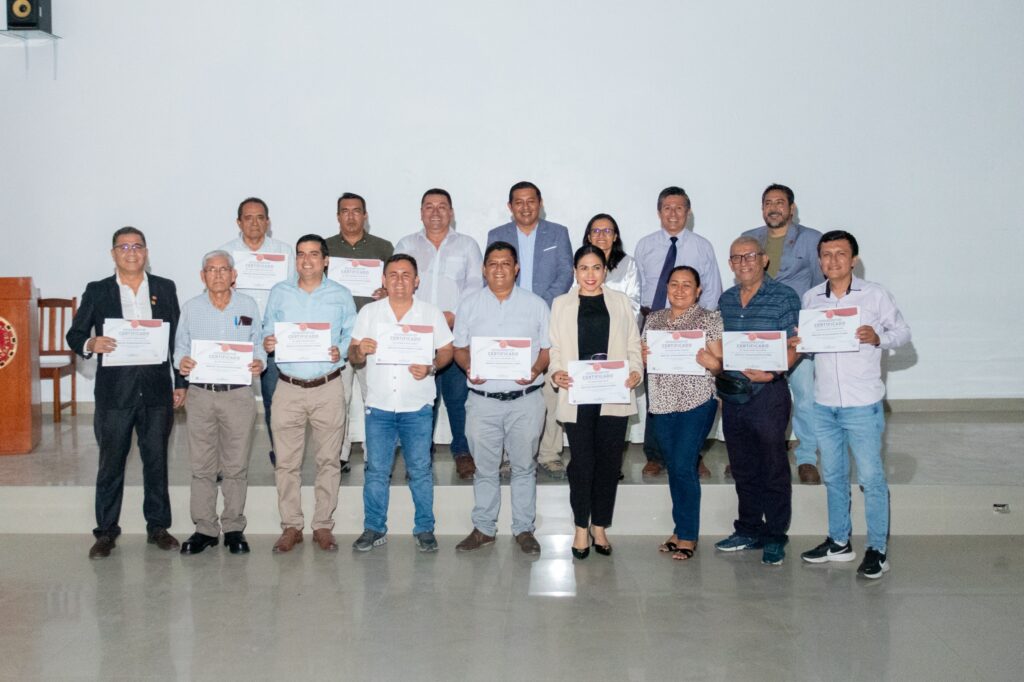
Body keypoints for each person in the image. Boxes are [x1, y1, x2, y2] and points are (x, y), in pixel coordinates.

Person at [67, 227, 185, 559]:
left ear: (146, 252)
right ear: (113, 254)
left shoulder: (164, 288)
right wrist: (91, 343)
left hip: (156, 392)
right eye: (124, 247)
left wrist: (181, 382)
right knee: (111, 464)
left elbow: (177, 339)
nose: (131, 252)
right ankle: (106, 531)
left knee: (156, 462)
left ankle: (158, 527)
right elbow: (75, 334)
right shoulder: (98, 290)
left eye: (137, 246)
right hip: (114, 394)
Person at [798, 230, 911, 579]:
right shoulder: (811, 298)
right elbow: (811, 347)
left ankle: (877, 548)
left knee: (871, 479)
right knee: (833, 476)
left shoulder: (875, 295)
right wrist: (803, 342)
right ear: (819, 261)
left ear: (854, 260)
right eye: (826, 254)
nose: (833, 260)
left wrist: (878, 338)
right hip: (824, 404)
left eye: (840, 254)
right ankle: (839, 541)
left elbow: (903, 333)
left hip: (863, 404)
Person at [348, 254, 454, 553]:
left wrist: (432, 366)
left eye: (406, 275)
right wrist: (360, 350)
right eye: (393, 274)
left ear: (416, 281)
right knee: (376, 471)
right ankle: (374, 527)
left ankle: (424, 528)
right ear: (383, 279)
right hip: (379, 405)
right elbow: (352, 355)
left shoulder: (430, 313)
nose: (399, 280)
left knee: (420, 470)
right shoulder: (369, 312)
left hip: (417, 406)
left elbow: (447, 350)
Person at [453, 242, 551, 555]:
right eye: (493, 264)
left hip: (526, 399)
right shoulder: (469, 305)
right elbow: (459, 348)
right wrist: (469, 366)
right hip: (483, 400)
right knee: (485, 469)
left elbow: (547, 350)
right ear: (484, 269)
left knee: (524, 467)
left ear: (516, 268)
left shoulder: (536, 305)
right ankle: (484, 528)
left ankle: (524, 529)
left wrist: (535, 370)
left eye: (505, 263)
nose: (499, 269)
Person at [261, 234, 356, 553]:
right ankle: (291, 525)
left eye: (314, 254)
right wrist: (269, 341)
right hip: (288, 387)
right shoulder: (280, 292)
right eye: (301, 254)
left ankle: (323, 525)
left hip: (327, 386)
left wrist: (340, 349)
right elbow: (267, 328)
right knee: (286, 462)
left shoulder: (340, 294)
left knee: (328, 460)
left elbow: (351, 333)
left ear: (325, 260)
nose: (306, 260)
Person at [549, 245, 643, 559]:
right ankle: (580, 526)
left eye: (597, 268)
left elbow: (633, 345)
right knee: (582, 463)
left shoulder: (620, 302)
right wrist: (556, 373)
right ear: (575, 271)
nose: (590, 275)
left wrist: (635, 371)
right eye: (584, 268)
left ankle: (599, 525)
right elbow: (555, 349)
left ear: (605, 270)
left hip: (613, 394)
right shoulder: (561, 304)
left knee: (608, 463)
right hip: (577, 394)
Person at [713, 236, 801, 566]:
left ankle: (775, 535)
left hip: (769, 394)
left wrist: (773, 371)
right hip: (734, 395)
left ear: (764, 259)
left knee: (773, 466)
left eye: (750, 256)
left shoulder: (785, 296)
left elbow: (795, 345)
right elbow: (721, 346)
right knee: (743, 467)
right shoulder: (726, 300)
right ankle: (748, 528)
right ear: (730, 264)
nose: (743, 262)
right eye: (736, 258)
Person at [173, 250, 266, 555]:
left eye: (223, 269)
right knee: (202, 466)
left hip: (238, 395)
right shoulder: (191, 308)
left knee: (235, 465)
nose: (217, 275)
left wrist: (259, 362)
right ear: (203, 276)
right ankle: (205, 528)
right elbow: (180, 347)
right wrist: (182, 362)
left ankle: (234, 527)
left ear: (233, 274)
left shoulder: (248, 305)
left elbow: (258, 343)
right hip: (201, 394)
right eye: (211, 270)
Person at [634, 187, 723, 477]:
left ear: (688, 211)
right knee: (657, 390)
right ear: (659, 212)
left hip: (694, 328)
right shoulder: (645, 246)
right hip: (655, 325)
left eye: (679, 208)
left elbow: (712, 290)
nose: (673, 213)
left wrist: (703, 329)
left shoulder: (702, 246)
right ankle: (655, 455)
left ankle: (693, 454)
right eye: (667, 208)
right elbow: (637, 290)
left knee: (694, 391)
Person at [394, 189, 483, 479]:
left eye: (442, 206)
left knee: (457, 397)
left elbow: (474, 287)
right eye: (429, 207)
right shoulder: (406, 244)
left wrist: (453, 316)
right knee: (422, 398)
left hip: (456, 332)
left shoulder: (467, 245)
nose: (435, 212)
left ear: (451, 212)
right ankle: (421, 455)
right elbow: (400, 284)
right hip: (416, 334)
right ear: (421, 212)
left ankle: (462, 452)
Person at [487, 181, 573, 480]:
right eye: (519, 202)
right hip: (507, 323)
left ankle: (549, 453)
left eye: (531, 201)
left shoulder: (558, 233)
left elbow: (565, 274)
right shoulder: (497, 235)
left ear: (540, 203)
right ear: (510, 206)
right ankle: (509, 455)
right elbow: (492, 275)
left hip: (547, 319)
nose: (525, 207)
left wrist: (536, 305)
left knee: (549, 389)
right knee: (509, 387)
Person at [743, 184, 825, 484]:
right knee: (759, 398)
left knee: (804, 397)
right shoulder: (749, 239)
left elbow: (820, 288)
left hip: (796, 335)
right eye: (768, 202)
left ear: (792, 208)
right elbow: (744, 284)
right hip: (760, 335)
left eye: (780, 202)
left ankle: (806, 458)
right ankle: (757, 452)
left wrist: (810, 329)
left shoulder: (811, 239)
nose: (774, 208)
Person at [641, 266, 723, 561]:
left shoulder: (709, 318)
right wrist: (642, 357)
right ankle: (679, 530)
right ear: (666, 288)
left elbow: (720, 364)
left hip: (697, 401)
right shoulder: (654, 319)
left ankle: (688, 535)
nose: (679, 290)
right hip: (662, 402)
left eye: (687, 285)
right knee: (675, 466)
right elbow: (644, 357)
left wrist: (712, 361)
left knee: (684, 465)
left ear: (698, 290)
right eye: (674, 284)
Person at [219, 197, 295, 468]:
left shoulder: (284, 252)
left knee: (276, 402)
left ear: (268, 221)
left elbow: (293, 294)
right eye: (248, 218)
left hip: (274, 339)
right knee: (231, 404)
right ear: (239, 222)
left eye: (260, 217)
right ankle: (227, 461)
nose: (254, 223)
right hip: (237, 337)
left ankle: (280, 456)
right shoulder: (226, 254)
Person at [324, 192, 394, 471]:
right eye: (345, 211)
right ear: (338, 216)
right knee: (338, 400)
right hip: (337, 336)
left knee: (373, 399)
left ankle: (373, 456)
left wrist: (387, 292)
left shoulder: (383, 247)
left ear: (365, 216)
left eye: (356, 211)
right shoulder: (326, 247)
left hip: (372, 336)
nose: (351, 216)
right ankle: (338, 456)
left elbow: (395, 283)